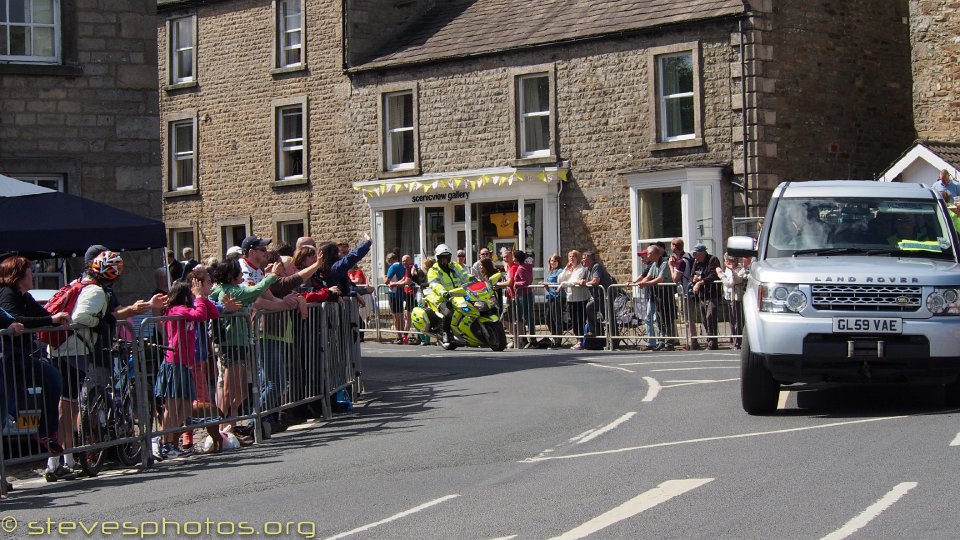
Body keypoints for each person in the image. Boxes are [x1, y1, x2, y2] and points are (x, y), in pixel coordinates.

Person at [48, 251, 123, 479]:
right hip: (74, 350)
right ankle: (54, 462)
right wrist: (99, 321)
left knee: (65, 406)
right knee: (68, 407)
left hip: (59, 348)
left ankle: (66, 457)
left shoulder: (78, 282)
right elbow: (80, 318)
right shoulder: (97, 291)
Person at [0, 257, 67, 467]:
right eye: (30, 272)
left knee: (52, 377)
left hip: (23, 360)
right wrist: (51, 320)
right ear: (19, 275)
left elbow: (44, 316)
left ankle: (46, 433)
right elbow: (16, 318)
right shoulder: (7, 295)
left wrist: (61, 317)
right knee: (4, 412)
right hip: (7, 361)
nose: (33, 275)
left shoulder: (26, 296)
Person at [154, 276, 218, 460]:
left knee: (186, 407)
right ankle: (165, 443)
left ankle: (170, 442)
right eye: (191, 293)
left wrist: (203, 298)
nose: (194, 296)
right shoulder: (177, 309)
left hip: (185, 364)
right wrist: (199, 298)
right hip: (175, 363)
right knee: (172, 407)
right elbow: (200, 315)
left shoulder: (188, 307)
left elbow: (212, 314)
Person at [426, 244, 470, 346]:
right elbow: (434, 284)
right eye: (443, 257)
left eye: (447, 257)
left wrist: (473, 279)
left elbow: (464, 275)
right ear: (438, 258)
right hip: (442, 298)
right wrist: (443, 292)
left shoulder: (454, 266)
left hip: (459, 295)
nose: (445, 260)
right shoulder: (434, 270)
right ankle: (445, 334)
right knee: (449, 311)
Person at [690, 243, 721, 350]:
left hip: (712, 294)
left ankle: (713, 343)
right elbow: (692, 275)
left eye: (696, 254)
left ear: (702, 253)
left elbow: (713, 275)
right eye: (694, 254)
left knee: (710, 317)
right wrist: (694, 279)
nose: (695, 256)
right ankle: (710, 339)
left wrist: (701, 281)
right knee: (704, 319)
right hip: (702, 295)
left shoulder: (713, 259)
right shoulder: (696, 262)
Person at [580, 251, 614, 350]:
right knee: (591, 308)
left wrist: (585, 283)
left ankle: (614, 341)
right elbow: (581, 280)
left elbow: (596, 281)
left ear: (590, 259)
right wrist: (581, 281)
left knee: (609, 318)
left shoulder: (596, 266)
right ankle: (594, 331)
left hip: (606, 296)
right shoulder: (587, 269)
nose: (582, 260)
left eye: (584, 258)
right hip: (598, 297)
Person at [717, 253, 748, 349]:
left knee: (737, 321)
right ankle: (734, 340)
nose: (726, 262)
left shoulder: (740, 269)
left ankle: (737, 342)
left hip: (737, 297)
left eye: (727, 260)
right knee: (732, 320)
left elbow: (731, 282)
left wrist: (721, 275)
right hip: (729, 297)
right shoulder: (728, 269)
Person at [541, 253, 564, 348]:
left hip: (558, 297)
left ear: (558, 262)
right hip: (550, 297)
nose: (552, 263)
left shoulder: (560, 271)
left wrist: (548, 283)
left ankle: (558, 340)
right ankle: (554, 337)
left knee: (556, 318)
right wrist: (546, 286)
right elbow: (549, 288)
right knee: (548, 318)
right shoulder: (551, 272)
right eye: (551, 261)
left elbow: (559, 282)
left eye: (554, 261)